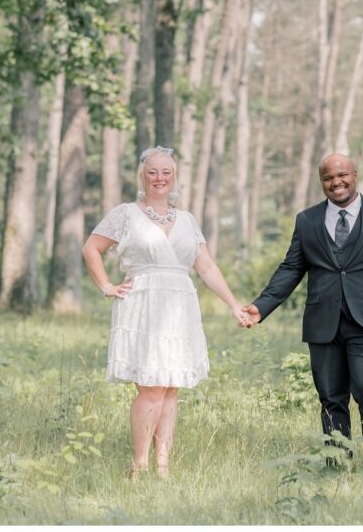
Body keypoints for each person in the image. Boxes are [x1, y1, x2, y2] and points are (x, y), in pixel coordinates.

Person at [82, 146, 253, 480]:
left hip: (180, 305)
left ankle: (163, 465)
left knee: (171, 387)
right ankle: (139, 463)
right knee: (151, 387)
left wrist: (234, 305)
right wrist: (106, 286)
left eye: (166, 172)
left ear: (174, 177)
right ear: (142, 177)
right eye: (152, 172)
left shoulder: (187, 220)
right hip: (143, 304)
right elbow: (91, 248)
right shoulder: (126, 213)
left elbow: (206, 267)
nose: (159, 178)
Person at [242, 153, 363, 471]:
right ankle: (335, 465)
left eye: (342, 175)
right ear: (322, 182)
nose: (336, 183)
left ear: (355, 174)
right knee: (331, 397)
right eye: (328, 178)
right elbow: (291, 268)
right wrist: (261, 306)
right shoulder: (307, 220)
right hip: (323, 325)